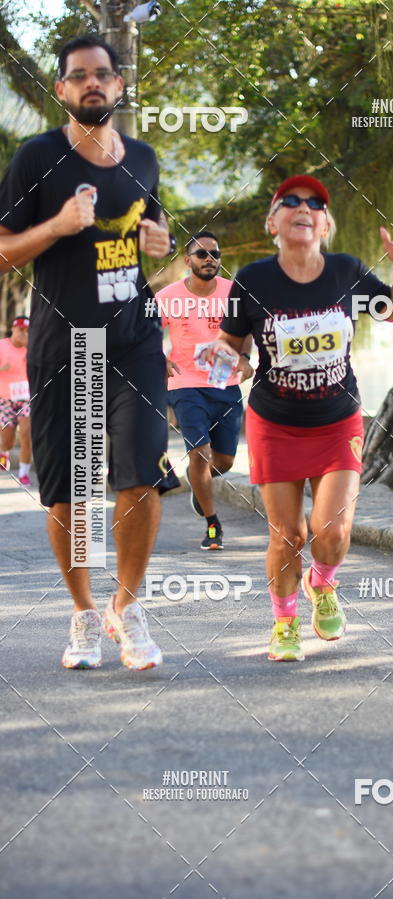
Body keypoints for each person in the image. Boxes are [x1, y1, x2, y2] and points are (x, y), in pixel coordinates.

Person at [0, 34, 179, 671]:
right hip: (65, 343)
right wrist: (57, 227)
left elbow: (149, 234)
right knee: (69, 492)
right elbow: (4, 249)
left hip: (133, 340)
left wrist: (159, 243)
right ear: (63, 90)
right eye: (80, 76)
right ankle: (82, 611)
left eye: (103, 74)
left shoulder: (147, 160)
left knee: (139, 475)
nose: (92, 83)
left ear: (119, 85)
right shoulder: (36, 157)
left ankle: (125, 609)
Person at [206, 174, 393, 661]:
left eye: (315, 204)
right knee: (288, 536)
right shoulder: (254, 280)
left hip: (337, 421)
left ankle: (321, 584)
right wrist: (229, 364)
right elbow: (234, 349)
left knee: (332, 532)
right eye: (290, 202)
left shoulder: (345, 270)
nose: (303, 208)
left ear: (326, 225)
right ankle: (284, 623)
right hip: (274, 422)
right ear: (272, 222)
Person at [157, 231, 253, 549]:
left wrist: (244, 358)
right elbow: (145, 333)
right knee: (200, 452)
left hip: (223, 382)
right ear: (188, 261)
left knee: (223, 461)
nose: (210, 259)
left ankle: (201, 484)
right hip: (184, 384)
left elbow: (246, 330)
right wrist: (159, 360)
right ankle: (213, 525)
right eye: (202, 254)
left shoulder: (233, 292)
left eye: (215, 254)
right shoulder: (168, 296)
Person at [0, 316, 32, 485]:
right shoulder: (2, 345)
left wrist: (29, 348)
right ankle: (4, 452)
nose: (22, 334)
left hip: (26, 398)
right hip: (5, 399)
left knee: (27, 433)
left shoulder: (32, 348)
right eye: (20, 330)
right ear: (13, 329)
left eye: (26, 331)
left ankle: (23, 472)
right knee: (8, 439)